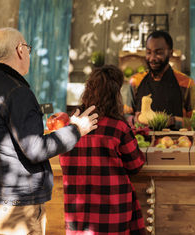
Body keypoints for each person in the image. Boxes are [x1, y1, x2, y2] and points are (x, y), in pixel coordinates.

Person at [0, 27, 98, 235]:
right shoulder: (17, 92)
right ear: (20, 50)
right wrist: (76, 130)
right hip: (16, 208)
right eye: (28, 48)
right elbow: (35, 149)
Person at [59, 65, 146, 235]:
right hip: (113, 215)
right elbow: (136, 165)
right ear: (115, 95)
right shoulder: (118, 128)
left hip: (78, 217)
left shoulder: (70, 127)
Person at [125, 30, 195, 129]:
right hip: (142, 141)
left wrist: (173, 121)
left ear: (170, 53)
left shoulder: (186, 83)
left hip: (177, 142)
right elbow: (124, 116)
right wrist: (135, 119)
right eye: (148, 52)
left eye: (159, 53)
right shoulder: (135, 81)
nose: (152, 58)